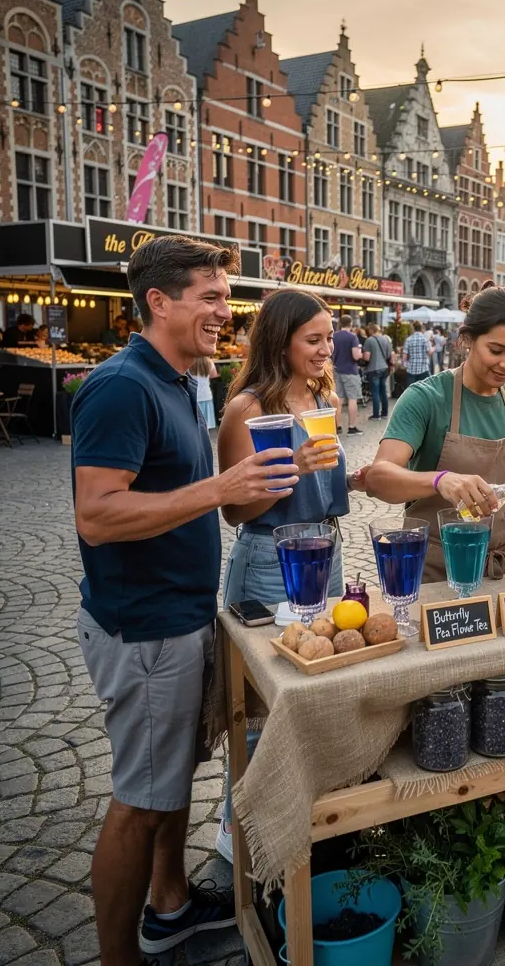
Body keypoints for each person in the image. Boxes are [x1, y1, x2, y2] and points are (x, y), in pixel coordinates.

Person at [71, 235, 296, 965]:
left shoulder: (178, 378)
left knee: (169, 781)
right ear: (158, 302)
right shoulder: (121, 386)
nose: (224, 311)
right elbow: (97, 515)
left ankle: (168, 905)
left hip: (181, 617)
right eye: (209, 295)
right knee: (139, 801)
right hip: (144, 630)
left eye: (226, 296)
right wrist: (220, 490)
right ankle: (118, 957)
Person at [216, 288, 365, 864]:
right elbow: (234, 509)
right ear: (281, 341)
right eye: (315, 340)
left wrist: (355, 480)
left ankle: (308, 816)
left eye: (330, 337)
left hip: (325, 553)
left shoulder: (320, 395)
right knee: (264, 707)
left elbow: (321, 488)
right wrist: (289, 470)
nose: (328, 349)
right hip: (271, 562)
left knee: (319, 687)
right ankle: (242, 837)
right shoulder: (248, 409)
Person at [366, 286, 505, 581]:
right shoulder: (425, 398)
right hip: (436, 572)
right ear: (467, 340)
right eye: (496, 350)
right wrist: (440, 481)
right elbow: (378, 478)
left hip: (504, 570)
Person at [331, 313, 363, 435]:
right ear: (351, 324)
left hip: (336, 370)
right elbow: (355, 355)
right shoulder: (352, 337)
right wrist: (360, 354)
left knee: (338, 400)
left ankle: (337, 427)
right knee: (352, 399)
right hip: (350, 371)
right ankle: (351, 427)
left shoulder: (334, 336)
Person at [363, 321, 393, 420]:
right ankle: (385, 413)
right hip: (384, 368)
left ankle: (376, 415)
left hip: (373, 368)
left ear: (371, 330)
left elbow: (367, 357)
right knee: (383, 391)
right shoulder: (386, 339)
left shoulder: (369, 340)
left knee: (375, 392)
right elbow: (389, 355)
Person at [189, 356, 218, 429]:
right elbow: (214, 375)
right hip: (206, 395)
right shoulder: (209, 362)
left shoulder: (189, 361)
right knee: (206, 424)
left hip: (193, 395)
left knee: (194, 423)